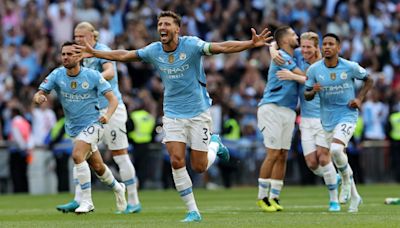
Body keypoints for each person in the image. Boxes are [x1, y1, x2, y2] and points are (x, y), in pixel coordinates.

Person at [73, 11, 272, 222]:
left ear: (177, 29)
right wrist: (96, 53)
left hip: (198, 112)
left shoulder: (192, 45)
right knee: (176, 160)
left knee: (199, 166)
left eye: (167, 24)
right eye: (160, 24)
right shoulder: (154, 50)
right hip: (172, 113)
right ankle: (192, 211)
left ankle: (214, 144)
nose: (162, 27)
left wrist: (250, 44)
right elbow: (125, 55)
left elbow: (221, 46)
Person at [56, 21, 141, 214]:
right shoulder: (75, 54)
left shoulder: (102, 50)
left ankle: (134, 200)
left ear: (93, 37)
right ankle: (79, 199)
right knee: (80, 152)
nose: (78, 39)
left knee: (119, 155)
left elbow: (110, 71)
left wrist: (93, 79)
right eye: (76, 36)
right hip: (89, 113)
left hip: (111, 109)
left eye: (82, 36)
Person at [33, 41, 127, 214]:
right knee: (98, 167)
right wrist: (39, 97)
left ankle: (87, 201)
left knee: (77, 155)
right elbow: (40, 92)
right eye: (63, 54)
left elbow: (113, 100)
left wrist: (107, 115)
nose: (66, 57)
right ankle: (118, 188)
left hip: (94, 124)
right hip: (74, 129)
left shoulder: (93, 75)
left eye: (70, 54)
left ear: (79, 56)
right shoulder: (57, 74)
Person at [270, 32, 340, 211]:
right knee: (311, 163)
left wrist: (293, 76)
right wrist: (272, 49)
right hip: (306, 120)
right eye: (303, 46)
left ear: (317, 48)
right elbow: (277, 44)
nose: (305, 50)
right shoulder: (300, 58)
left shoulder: (324, 64)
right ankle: (333, 176)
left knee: (324, 157)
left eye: (309, 47)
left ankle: (334, 200)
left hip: (323, 118)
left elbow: (316, 84)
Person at [304, 33, 373, 213]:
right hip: (326, 119)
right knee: (336, 155)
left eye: (331, 44)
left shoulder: (350, 66)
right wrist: (313, 91)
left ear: (338, 48)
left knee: (335, 150)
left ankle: (346, 183)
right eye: (324, 44)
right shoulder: (314, 70)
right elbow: (306, 94)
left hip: (347, 115)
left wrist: (359, 99)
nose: (326, 47)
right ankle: (356, 197)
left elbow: (369, 80)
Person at [256, 26, 303, 213]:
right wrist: (274, 48)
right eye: (293, 34)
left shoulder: (291, 53)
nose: (297, 36)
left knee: (283, 155)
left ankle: (275, 196)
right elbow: (303, 76)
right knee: (273, 154)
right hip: (272, 108)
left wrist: (272, 46)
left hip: (289, 110)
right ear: (284, 40)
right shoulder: (282, 57)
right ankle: (262, 198)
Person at [8, 106, 33, 193]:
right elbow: (29, 136)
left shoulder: (15, 122)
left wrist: (22, 148)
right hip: (25, 150)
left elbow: (17, 136)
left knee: (16, 173)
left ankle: (18, 190)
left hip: (17, 151)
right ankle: (25, 190)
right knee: (24, 172)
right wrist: (27, 149)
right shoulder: (25, 122)